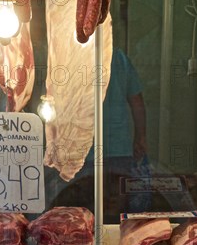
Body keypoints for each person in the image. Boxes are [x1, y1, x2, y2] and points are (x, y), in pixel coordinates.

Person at [48, 47, 149, 222]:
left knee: (86, 212)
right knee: (115, 209)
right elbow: (137, 102)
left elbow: (57, 101)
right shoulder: (119, 58)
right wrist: (140, 137)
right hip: (116, 150)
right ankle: (114, 243)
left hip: (86, 151)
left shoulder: (73, 58)